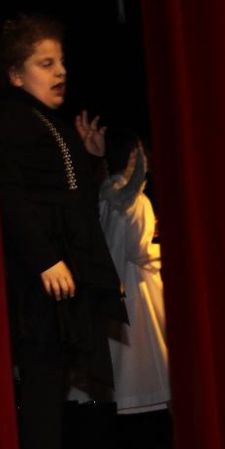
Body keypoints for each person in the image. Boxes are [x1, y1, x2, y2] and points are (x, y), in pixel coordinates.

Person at [0, 14, 126, 449]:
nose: (60, 71)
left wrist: (89, 158)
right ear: (15, 74)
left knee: (54, 374)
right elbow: (10, 196)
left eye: (62, 62)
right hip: (37, 271)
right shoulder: (10, 117)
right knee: (43, 374)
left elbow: (69, 198)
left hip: (61, 264)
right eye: (45, 63)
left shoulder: (48, 120)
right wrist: (45, 259)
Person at [98, 128, 171, 420]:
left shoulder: (105, 194)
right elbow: (140, 252)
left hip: (114, 284)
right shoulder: (136, 200)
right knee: (153, 360)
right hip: (139, 289)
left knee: (117, 362)